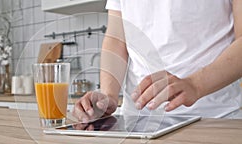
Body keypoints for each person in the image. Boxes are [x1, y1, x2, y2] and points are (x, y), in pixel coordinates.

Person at [72, 0, 242, 122]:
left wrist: (195, 84)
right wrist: (108, 94)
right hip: (139, 122)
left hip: (214, 117)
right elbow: (116, 39)